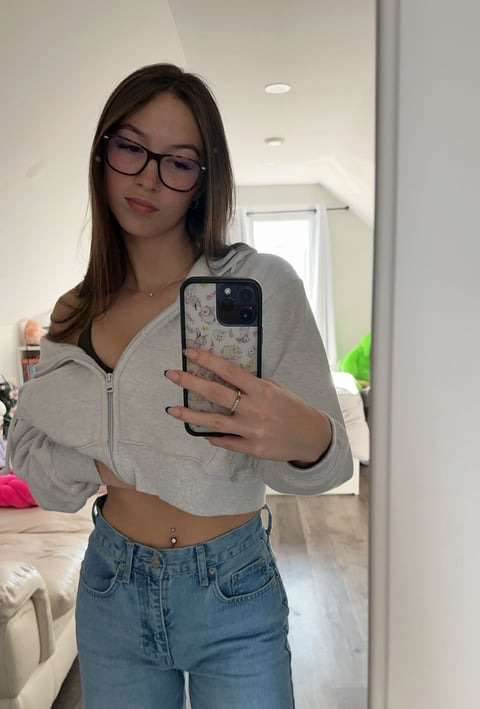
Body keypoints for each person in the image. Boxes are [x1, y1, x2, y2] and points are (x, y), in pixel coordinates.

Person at [6, 63, 353, 709]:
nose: (148, 178)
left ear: (202, 181)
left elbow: (329, 469)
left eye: (179, 162)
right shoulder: (75, 311)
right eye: (132, 148)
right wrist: (108, 457)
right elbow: (35, 460)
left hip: (232, 585)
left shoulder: (263, 283)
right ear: (103, 154)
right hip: (111, 582)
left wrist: (301, 434)